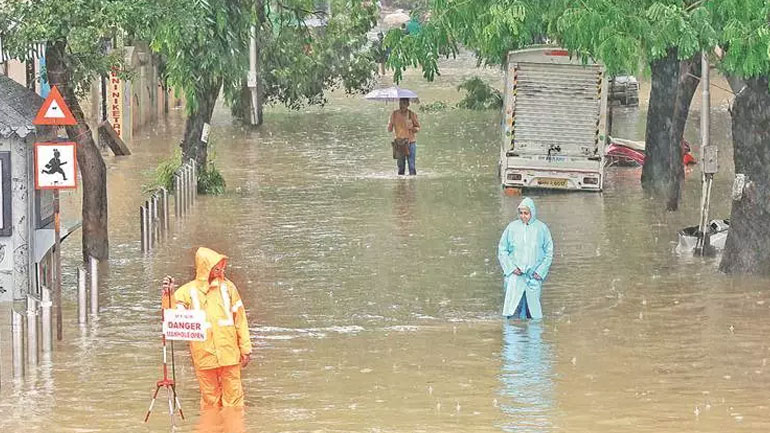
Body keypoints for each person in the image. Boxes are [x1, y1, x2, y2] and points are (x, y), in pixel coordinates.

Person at [162, 247, 252, 413]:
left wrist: (245, 348)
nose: (220, 270)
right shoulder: (187, 291)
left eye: (221, 267)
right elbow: (172, 316)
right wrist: (168, 294)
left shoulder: (228, 288)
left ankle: (233, 427)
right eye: (216, 267)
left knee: (234, 400)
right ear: (206, 268)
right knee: (210, 399)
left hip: (229, 353)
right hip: (203, 353)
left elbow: (240, 318)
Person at [497, 197, 553, 319]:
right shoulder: (512, 228)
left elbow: (549, 252)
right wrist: (511, 269)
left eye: (526, 213)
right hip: (515, 276)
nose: (523, 216)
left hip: (533, 277)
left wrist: (540, 272)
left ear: (532, 213)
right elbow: (502, 250)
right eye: (521, 213)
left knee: (534, 314)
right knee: (512, 311)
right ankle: (512, 335)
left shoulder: (541, 229)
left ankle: (534, 336)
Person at [387, 98, 420, 175]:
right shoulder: (394, 114)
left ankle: (412, 184)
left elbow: (418, 128)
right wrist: (390, 125)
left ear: (408, 104)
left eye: (404, 103)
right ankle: (401, 185)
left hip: (410, 142)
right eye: (400, 103)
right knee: (401, 167)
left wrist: (411, 127)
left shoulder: (412, 114)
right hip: (399, 143)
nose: (402, 105)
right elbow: (389, 129)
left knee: (412, 166)